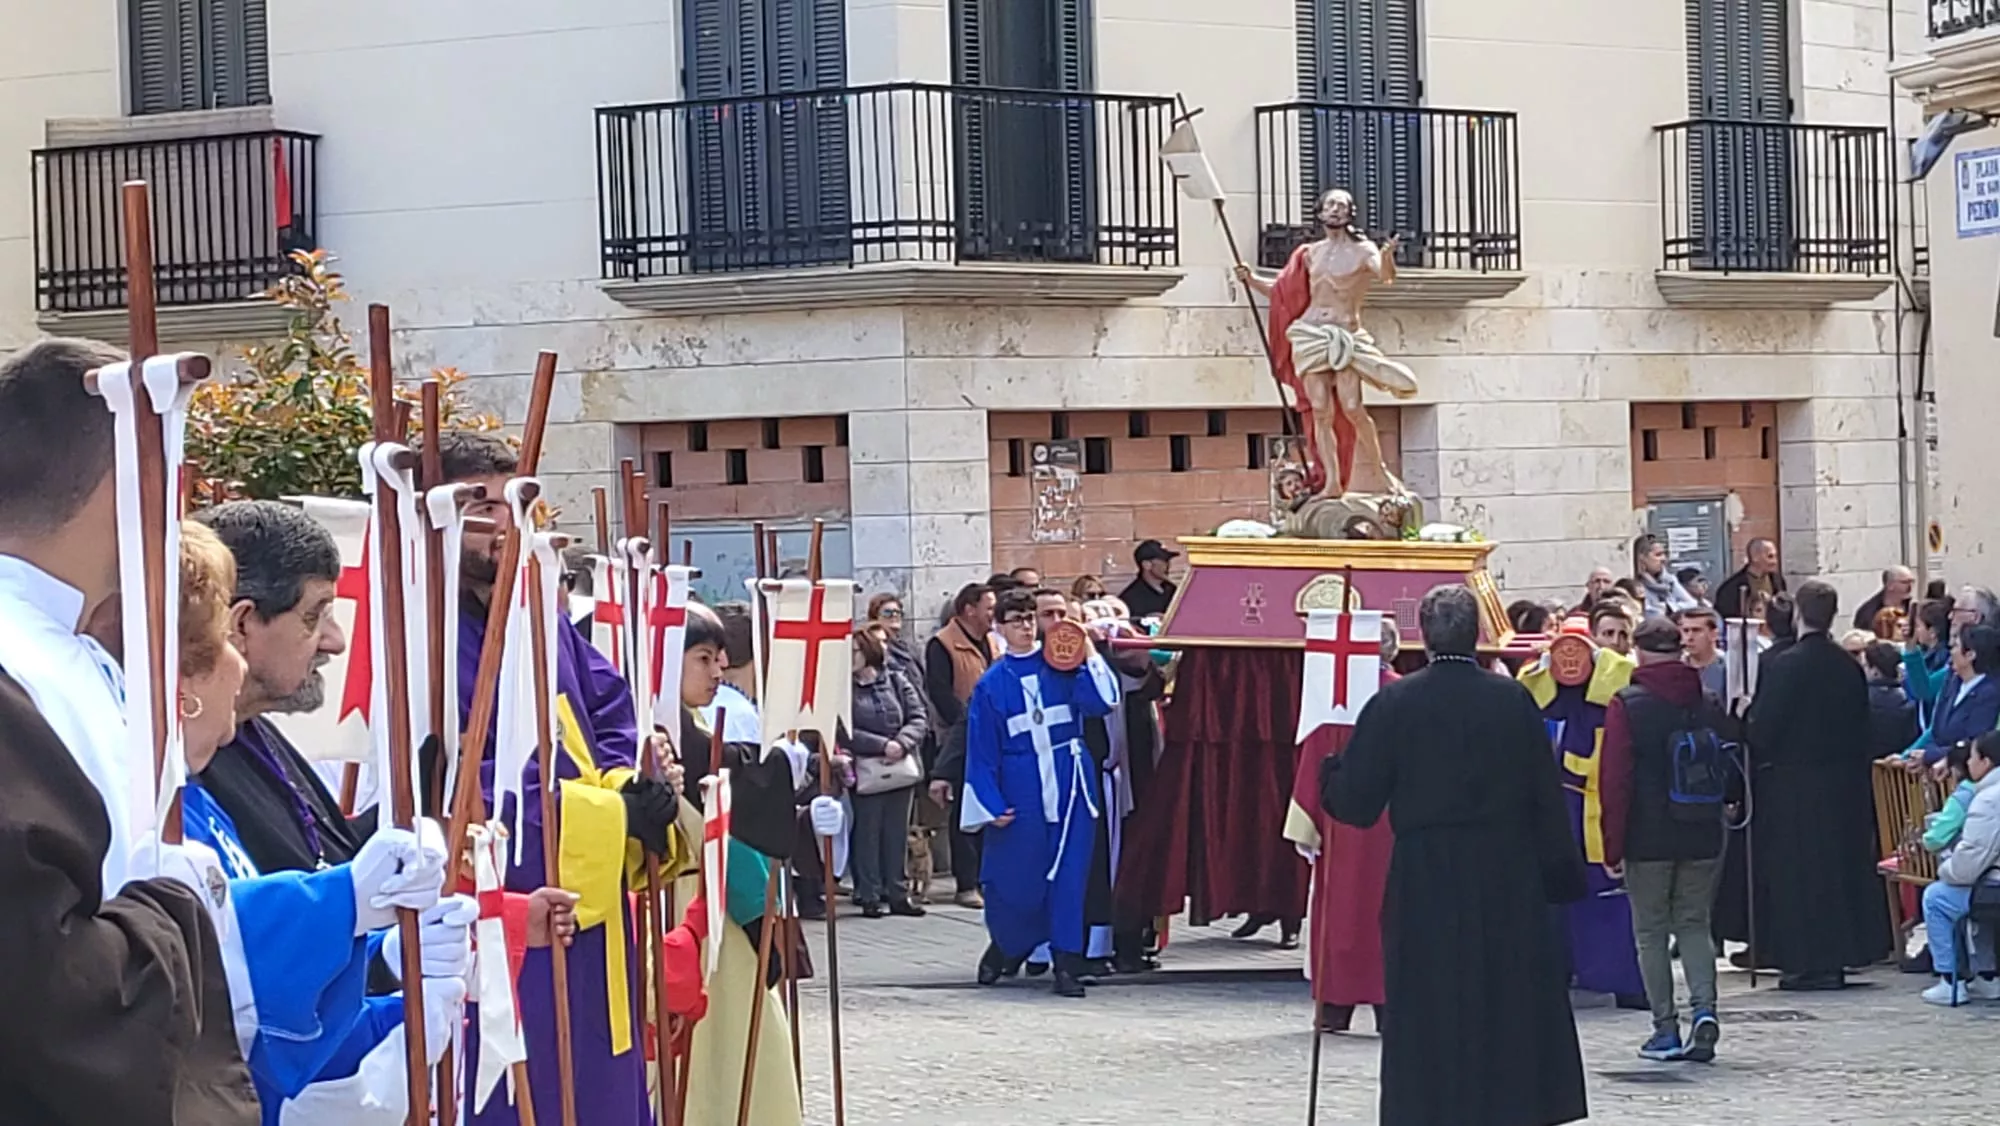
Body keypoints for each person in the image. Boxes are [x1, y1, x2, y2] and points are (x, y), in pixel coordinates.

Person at [0, 337, 261, 1123]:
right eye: (166, 477)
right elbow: (50, 983)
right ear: (129, 481)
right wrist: (171, 908)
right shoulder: (19, 672)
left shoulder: (70, 653)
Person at [173, 520, 473, 1125]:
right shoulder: (170, 781)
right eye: (317, 615)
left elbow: (313, 856)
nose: (335, 641)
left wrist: (385, 954)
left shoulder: (247, 741)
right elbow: (200, 950)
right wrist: (340, 906)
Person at [436, 431, 680, 1126]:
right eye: (481, 503)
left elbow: (609, 707)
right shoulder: (424, 635)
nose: (503, 522)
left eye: (514, 501)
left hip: (587, 897)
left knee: (596, 1085)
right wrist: (606, 817)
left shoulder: (540, 616)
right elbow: (468, 785)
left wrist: (629, 786)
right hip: (510, 906)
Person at [1322, 585, 1587, 1126]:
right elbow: (1543, 792)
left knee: (1429, 1000)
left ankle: (1431, 1109)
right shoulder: (1510, 699)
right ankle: (1511, 1106)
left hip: (1427, 875)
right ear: (1477, 634)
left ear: (1423, 632)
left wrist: (1332, 771)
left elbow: (1357, 804)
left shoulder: (1395, 703)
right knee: (1504, 994)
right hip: (1505, 873)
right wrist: (1559, 877)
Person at [193, 500, 366, 874]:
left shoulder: (252, 728)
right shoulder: (190, 752)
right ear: (241, 626)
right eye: (314, 616)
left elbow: (321, 848)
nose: (335, 641)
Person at [964, 587, 1120, 998]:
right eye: (1015, 620)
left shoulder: (1062, 665)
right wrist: (988, 801)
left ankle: (1066, 961)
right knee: (1016, 877)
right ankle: (1008, 945)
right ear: (1000, 627)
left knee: (1070, 875)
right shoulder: (992, 683)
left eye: (1030, 619)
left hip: (1069, 780)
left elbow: (1102, 703)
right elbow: (981, 747)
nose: (1026, 627)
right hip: (1022, 785)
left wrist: (1087, 654)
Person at [1742, 579, 1890, 988]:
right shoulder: (1848, 666)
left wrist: (1745, 717)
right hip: (1844, 785)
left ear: (1798, 615)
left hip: (1796, 787)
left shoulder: (1788, 665)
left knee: (1802, 875)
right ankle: (1841, 956)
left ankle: (1808, 961)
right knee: (1839, 871)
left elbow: (1764, 730)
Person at [1599, 617, 1729, 1063]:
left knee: (1651, 932)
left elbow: (1615, 781)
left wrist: (1611, 845)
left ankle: (1665, 1028)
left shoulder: (1628, 705)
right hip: (1702, 830)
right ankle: (1705, 1009)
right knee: (1694, 923)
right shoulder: (1707, 700)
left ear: (1639, 651)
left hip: (1647, 835)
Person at [1518, 617, 1645, 1004]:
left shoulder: (1620, 683)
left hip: (1598, 806)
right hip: (1559, 806)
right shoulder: (1534, 685)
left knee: (1607, 899)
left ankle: (1619, 979)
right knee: (1556, 897)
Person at [1285, 617, 1399, 1033]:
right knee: (1389, 912)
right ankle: (1390, 1007)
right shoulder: (1405, 696)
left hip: (1341, 823)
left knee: (1342, 909)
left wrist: (1307, 820)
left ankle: (1335, 1006)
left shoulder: (1331, 701)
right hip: (1393, 825)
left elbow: (1315, 761)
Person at [844, 627, 929, 919]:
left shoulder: (895, 680)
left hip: (900, 766)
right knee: (867, 832)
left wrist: (902, 743)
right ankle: (869, 893)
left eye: (853, 651)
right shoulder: (843, 689)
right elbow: (843, 730)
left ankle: (898, 892)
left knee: (897, 831)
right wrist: (882, 745)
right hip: (867, 768)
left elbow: (918, 716)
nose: (849, 657)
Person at [926, 581, 996, 909]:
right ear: (970, 609)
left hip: (990, 738)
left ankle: (987, 876)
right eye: (989, 608)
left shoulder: (991, 642)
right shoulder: (942, 644)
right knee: (963, 813)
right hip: (959, 736)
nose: (993, 615)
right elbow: (940, 692)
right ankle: (965, 882)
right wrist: (970, 723)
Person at [1919, 731, 2000, 1004]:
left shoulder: (1988, 800)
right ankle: (1987, 974)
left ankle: (1950, 981)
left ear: (1986, 762)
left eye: (1973, 758)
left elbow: (1969, 863)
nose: (1968, 764)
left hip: (1994, 887)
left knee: (1938, 897)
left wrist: (1945, 869)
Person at [1900, 623, 2000, 767]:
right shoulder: (1952, 680)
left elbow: (1975, 742)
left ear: (1970, 655)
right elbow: (1935, 732)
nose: (1950, 650)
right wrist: (1908, 756)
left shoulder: (1991, 692)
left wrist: (1931, 756)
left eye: (1955, 646)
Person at [1864, 642, 1921, 762]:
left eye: (1865, 666)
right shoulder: (1908, 698)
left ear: (1875, 671)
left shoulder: (1861, 698)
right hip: (1899, 767)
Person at [1714, 537, 1785, 620]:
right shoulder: (1730, 588)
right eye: (1770, 556)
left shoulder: (1777, 580)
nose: (1775, 562)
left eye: (1776, 556)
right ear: (1755, 557)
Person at [1633, 534, 1697, 618]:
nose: (1663, 559)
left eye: (1664, 554)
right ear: (1642, 558)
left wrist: (1670, 608)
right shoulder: (1635, 586)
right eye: (1658, 555)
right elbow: (1650, 613)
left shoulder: (1670, 581)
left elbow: (1692, 604)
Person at [1117, 539, 1179, 622]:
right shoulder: (1131, 598)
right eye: (1164, 561)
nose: (1167, 566)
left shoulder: (1173, 591)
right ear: (1146, 565)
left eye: (1168, 561)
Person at [1680, 607, 1727, 703]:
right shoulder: (1677, 667)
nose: (1689, 637)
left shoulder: (1728, 667)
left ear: (1713, 635)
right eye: (1685, 631)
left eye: (1696, 630)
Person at [1854, 565, 1917, 633]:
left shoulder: (1915, 608)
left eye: (1912, 581)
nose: (1910, 587)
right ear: (1890, 585)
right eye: (1905, 582)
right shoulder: (1869, 612)